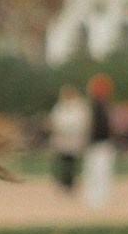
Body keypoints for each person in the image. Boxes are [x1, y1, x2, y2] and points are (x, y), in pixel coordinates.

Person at [83, 69, 117, 207]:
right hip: (98, 143)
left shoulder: (99, 106)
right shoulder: (97, 106)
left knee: (98, 171)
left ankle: (98, 197)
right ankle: (96, 197)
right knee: (97, 171)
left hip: (100, 143)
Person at [49, 79, 91, 190]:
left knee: (71, 162)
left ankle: (70, 183)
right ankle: (62, 181)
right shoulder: (59, 107)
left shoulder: (78, 107)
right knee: (62, 161)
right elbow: (55, 121)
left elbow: (82, 122)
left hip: (73, 139)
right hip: (62, 138)